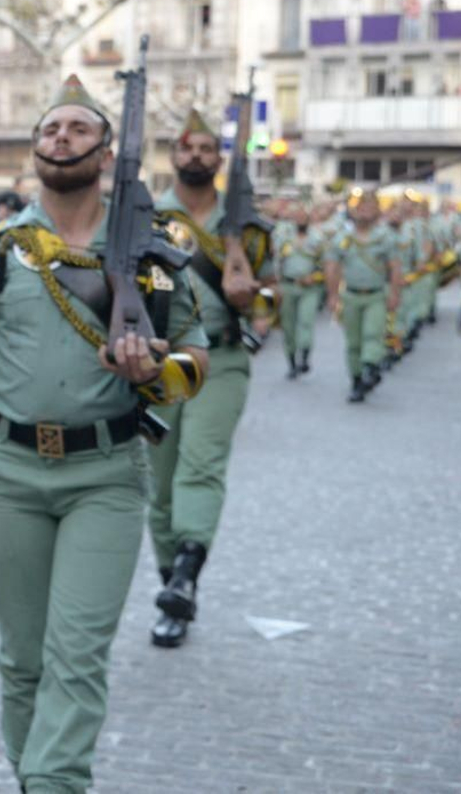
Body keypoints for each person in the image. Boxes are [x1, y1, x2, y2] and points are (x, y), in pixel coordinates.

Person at [0, 73, 209, 794]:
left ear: (106, 149)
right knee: (21, 659)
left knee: (76, 653)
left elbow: (198, 359)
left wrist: (155, 364)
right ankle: (36, 777)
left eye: (78, 129)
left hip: (107, 476)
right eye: (50, 129)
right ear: (34, 151)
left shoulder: (151, 254)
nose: (61, 137)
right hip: (12, 474)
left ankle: (55, 781)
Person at [148, 107, 274, 649]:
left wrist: (252, 296)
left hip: (220, 359)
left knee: (199, 467)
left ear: (218, 159)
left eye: (205, 148)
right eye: (187, 147)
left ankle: (186, 574)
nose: (195, 155)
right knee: (161, 484)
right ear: (174, 156)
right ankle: (172, 586)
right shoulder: (147, 219)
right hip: (162, 362)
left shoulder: (246, 226)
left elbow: (273, 299)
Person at [324, 189, 400, 404]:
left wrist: (395, 293)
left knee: (372, 333)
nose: (364, 212)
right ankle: (357, 380)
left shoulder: (385, 237)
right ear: (353, 210)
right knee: (353, 342)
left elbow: (395, 267)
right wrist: (332, 295)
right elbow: (332, 267)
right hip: (350, 295)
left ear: (376, 211)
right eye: (360, 207)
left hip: (376, 294)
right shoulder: (343, 238)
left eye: (369, 207)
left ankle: (370, 366)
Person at [276, 204, 326, 379]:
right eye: (297, 216)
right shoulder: (284, 238)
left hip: (309, 288)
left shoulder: (317, 239)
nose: (300, 220)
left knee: (306, 321)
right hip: (288, 286)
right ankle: (291, 362)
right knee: (288, 326)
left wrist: (315, 277)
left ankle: (304, 356)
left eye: (303, 217)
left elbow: (326, 265)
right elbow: (277, 263)